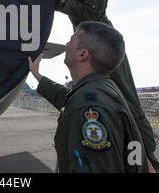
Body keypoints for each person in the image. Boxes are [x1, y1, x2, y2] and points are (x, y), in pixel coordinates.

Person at [43, 0, 159, 171]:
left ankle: (149, 158)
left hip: (104, 43)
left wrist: (63, 2)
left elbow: (94, 13)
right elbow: (57, 2)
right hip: (82, 42)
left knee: (128, 100)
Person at [29, 21, 149, 172]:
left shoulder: (89, 107)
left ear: (83, 54)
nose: (66, 44)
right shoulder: (101, 89)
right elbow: (68, 98)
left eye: (71, 40)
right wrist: (38, 75)